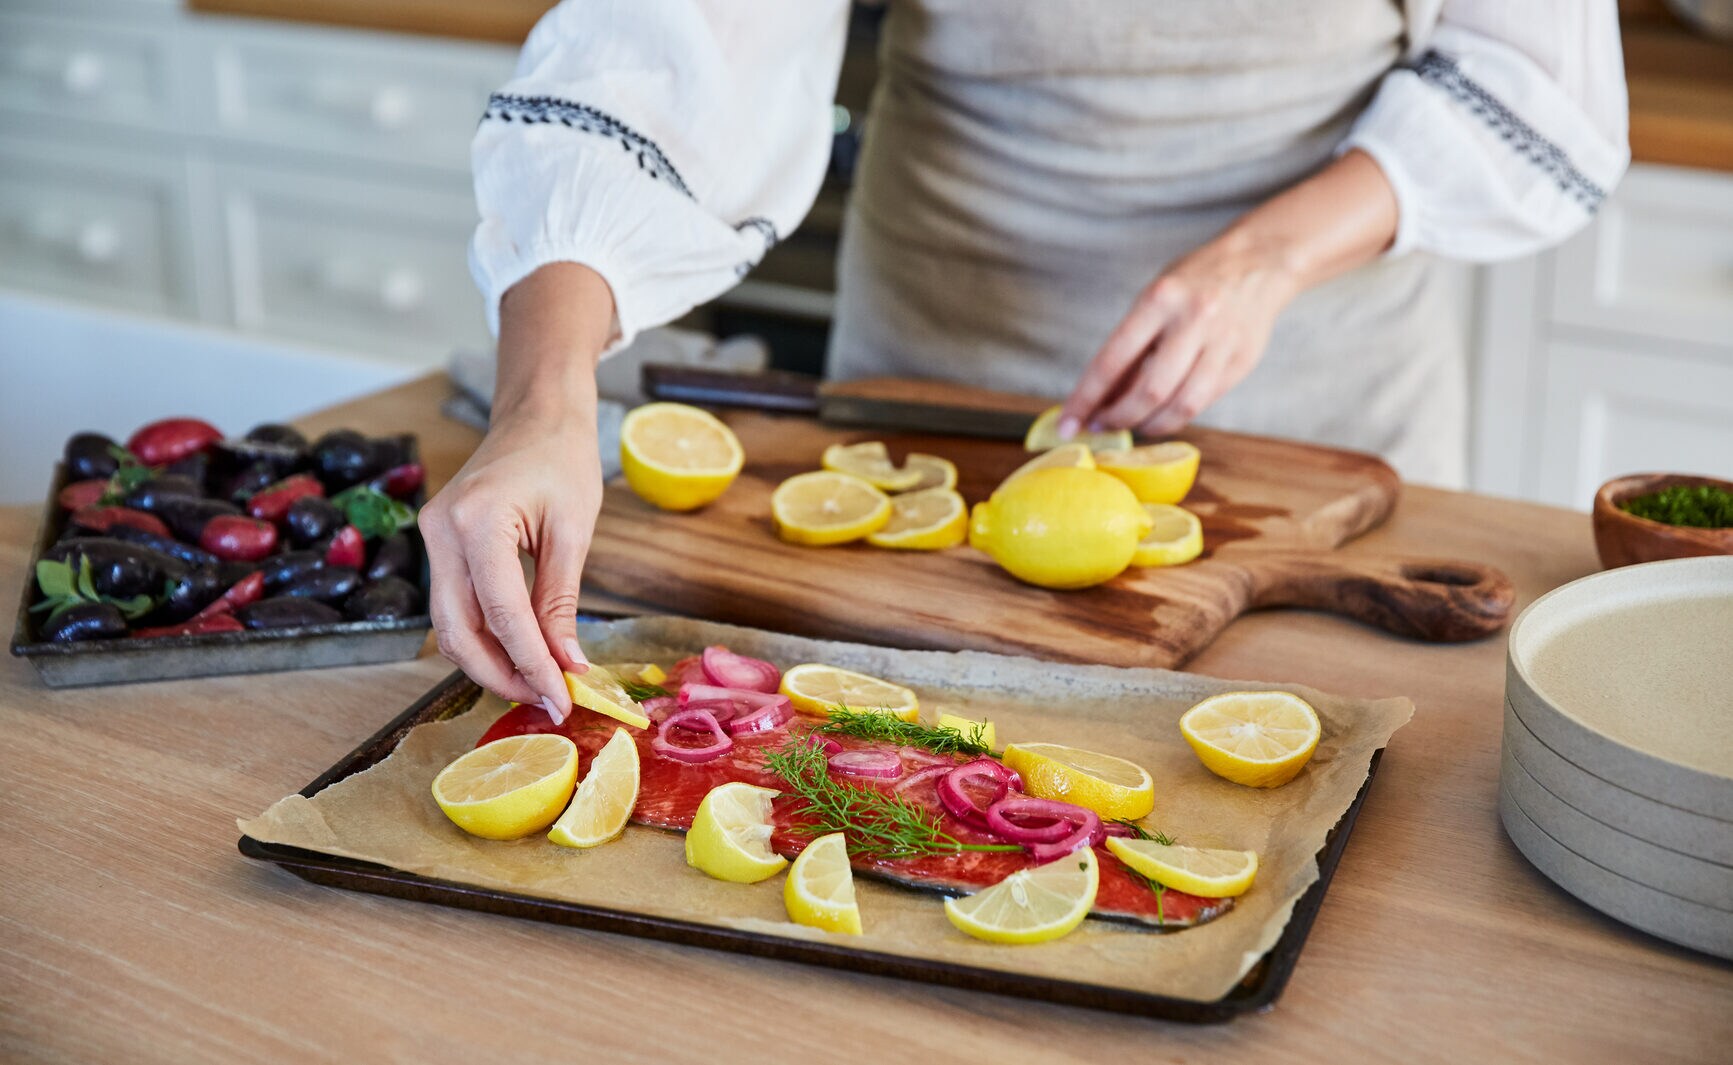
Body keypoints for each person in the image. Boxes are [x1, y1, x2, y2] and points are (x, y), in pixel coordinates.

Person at [421, 0, 1629, 721]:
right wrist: (540, 403)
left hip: (1320, 373)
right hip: (934, 350)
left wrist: (1265, 259)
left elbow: (1528, 80)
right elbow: (663, 50)